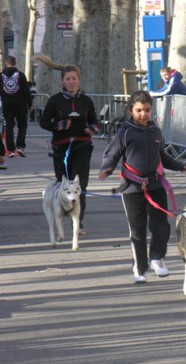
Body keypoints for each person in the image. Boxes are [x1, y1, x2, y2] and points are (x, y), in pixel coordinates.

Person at [98, 90, 186, 283]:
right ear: (131, 110)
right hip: (132, 188)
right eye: (139, 110)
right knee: (137, 231)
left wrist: (179, 166)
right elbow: (112, 154)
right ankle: (139, 268)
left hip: (155, 185)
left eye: (147, 110)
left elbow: (162, 156)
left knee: (161, 226)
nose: (143, 114)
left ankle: (157, 258)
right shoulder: (125, 132)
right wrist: (107, 168)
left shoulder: (155, 131)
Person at [40, 63, 100, 236]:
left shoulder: (86, 101)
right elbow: (44, 122)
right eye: (68, 79)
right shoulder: (55, 100)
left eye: (74, 78)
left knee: (79, 185)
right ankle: (62, 215)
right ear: (62, 81)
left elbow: (95, 122)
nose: (71, 82)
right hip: (61, 148)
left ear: (79, 80)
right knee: (63, 185)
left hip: (82, 146)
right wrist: (58, 125)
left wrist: (92, 129)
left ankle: (78, 222)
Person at [0, 56, 33, 157]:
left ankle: (10, 150)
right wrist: (30, 103)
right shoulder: (21, 75)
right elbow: (26, 91)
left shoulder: (1, 75)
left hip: (6, 104)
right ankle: (20, 147)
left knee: (8, 126)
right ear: (15, 63)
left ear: (6, 63)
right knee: (22, 125)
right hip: (20, 104)